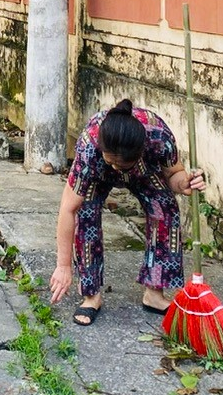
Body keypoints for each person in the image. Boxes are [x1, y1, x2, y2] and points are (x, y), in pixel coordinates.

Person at [48, 98, 207, 326]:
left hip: (144, 172)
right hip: (97, 173)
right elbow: (68, 208)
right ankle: (91, 295)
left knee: (165, 208)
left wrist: (185, 184)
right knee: (85, 212)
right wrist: (63, 266)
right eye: (112, 162)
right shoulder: (89, 145)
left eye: (120, 165)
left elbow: (174, 174)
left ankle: (154, 294)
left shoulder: (158, 136)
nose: (116, 169)